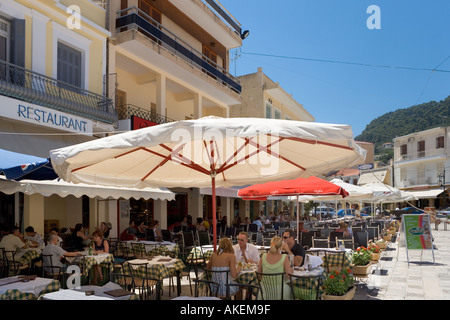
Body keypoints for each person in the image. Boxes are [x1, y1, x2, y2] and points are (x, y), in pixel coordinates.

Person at [257, 236, 292, 300]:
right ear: (281, 247)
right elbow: (289, 276)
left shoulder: (263, 256)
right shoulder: (284, 257)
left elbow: (259, 274)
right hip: (281, 293)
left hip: (264, 292)